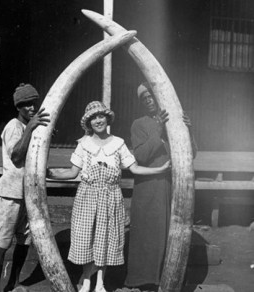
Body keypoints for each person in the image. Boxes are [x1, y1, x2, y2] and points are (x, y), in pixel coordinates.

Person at [47, 101, 171, 292]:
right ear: (88, 123)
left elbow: (135, 168)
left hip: (111, 197)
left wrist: (159, 169)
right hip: (87, 197)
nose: (98, 120)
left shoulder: (118, 143)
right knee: (85, 239)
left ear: (107, 118)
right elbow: (72, 173)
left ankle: (100, 284)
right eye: (93, 118)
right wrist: (50, 173)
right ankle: (86, 281)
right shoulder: (84, 144)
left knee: (105, 240)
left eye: (101, 116)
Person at [125, 82, 197, 291]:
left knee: (169, 232)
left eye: (152, 96)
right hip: (149, 187)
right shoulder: (139, 124)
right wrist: (157, 129)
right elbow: (140, 156)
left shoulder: (174, 122)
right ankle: (145, 281)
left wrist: (188, 129)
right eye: (144, 98)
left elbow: (190, 153)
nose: (149, 100)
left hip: (171, 186)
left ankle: (168, 280)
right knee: (149, 233)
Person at [0, 83, 50, 292]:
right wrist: (32, 127)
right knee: (2, 242)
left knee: (24, 241)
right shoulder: (13, 127)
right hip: (10, 193)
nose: (31, 108)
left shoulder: (31, 126)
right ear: (18, 107)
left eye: (33, 103)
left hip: (28, 194)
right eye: (26, 105)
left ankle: (13, 283)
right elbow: (16, 157)